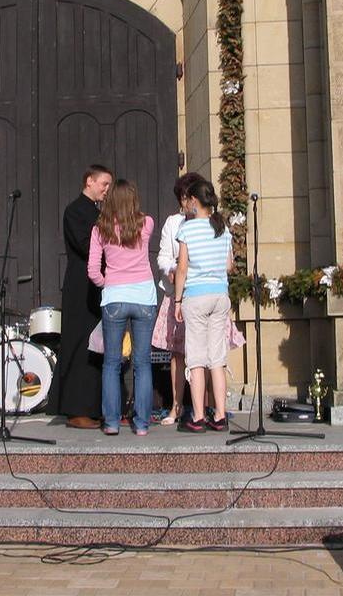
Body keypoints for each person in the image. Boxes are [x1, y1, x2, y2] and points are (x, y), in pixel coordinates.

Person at [87, 180, 158, 436]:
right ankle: (142, 424)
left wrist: (108, 284)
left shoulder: (100, 229)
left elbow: (92, 271)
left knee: (111, 362)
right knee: (142, 363)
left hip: (115, 298)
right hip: (144, 298)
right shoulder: (146, 223)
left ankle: (112, 422)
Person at [46, 164, 113, 428]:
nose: (107, 189)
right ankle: (76, 409)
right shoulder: (75, 211)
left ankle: (96, 406)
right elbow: (86, 246)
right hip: (81, 286)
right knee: (79, 344)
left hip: (99, 285)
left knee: (99, 345)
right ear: (89, 181)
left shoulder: (99, 212)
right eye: (104, 184)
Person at [174, 179, 233, 433]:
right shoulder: (222, 227)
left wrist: (177, 300)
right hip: (220, 295)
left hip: (196, 296)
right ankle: (220, 415)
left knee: (196, 358)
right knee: (217, 359)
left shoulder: (187, 229)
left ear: (195, 201)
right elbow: (229, 265)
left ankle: (198, 416)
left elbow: (182, 268)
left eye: (188, 199)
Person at [152, 171, 205, 425]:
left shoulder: (209, 222)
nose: (185, 202)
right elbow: (163, 256)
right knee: (177, 354)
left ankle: (204, 408)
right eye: (182, 197)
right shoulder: (173, 223)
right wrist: (172, 269)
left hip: (200, 293)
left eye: (188, 197)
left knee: (204, 354)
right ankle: (176, 406)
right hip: (177, 295)